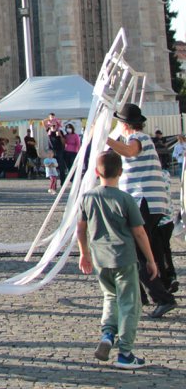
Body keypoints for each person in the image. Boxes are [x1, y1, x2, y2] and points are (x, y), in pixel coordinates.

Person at [76, 151, 160, 369]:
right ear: (121, 172)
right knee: (130, 304)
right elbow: (139, 232)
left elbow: (80, 229)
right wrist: (151, 260)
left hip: (100, 259)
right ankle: (125, 352)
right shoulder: (125, 199)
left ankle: (107, 334)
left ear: (96, 172)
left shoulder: (88, 197)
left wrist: (83, 253)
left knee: (110, 297)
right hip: (123, 257)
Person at [105, 102, 177, 309]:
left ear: (125, 124)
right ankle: (145, 295)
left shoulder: (139, 139)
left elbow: (129, 152)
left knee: (135, 250)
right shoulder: (138, 139)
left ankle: (161, 298)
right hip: (149, 201)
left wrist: (105, 139)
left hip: (145, 200)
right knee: (147, 250)